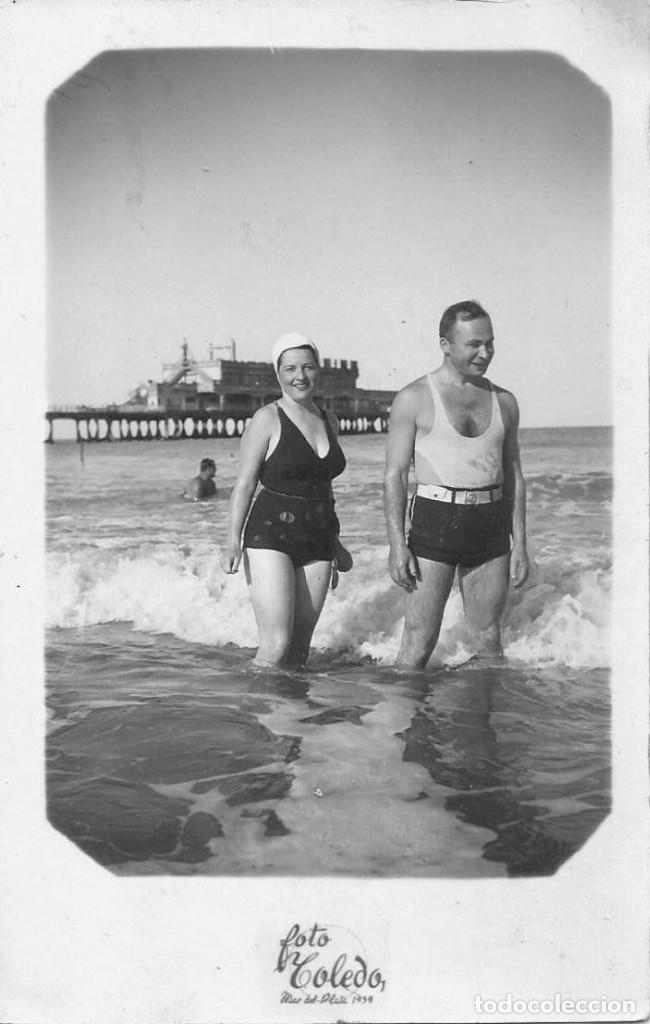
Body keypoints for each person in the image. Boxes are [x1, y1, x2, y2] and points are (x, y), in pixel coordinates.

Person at [384, 300, 529, 669]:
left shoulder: (505, 401)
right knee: (418, 643)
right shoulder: (414, 397)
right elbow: (395, 476)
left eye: (490, 343)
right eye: (474, 345)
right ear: (446, 344)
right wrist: (398, 545)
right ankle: (402, 725)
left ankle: (480, 725)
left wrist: (522, 544)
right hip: (436, 520)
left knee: (489, 640)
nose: (485, 353)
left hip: (490, 525)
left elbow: (513, 474)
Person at [220, 333, 352, 669]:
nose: (300, 376)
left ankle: (290, 718)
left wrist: (335, 542)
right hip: (271, 535)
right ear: (277, 373)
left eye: (308, 367)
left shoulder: (330, 420)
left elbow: (325, 488)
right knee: (276, 646)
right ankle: (257, 717)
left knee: (299, 651)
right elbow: (246, 483)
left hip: (319, 539)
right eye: (290, 368)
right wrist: (232, 540)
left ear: (317, 371)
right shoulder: (267, 418)